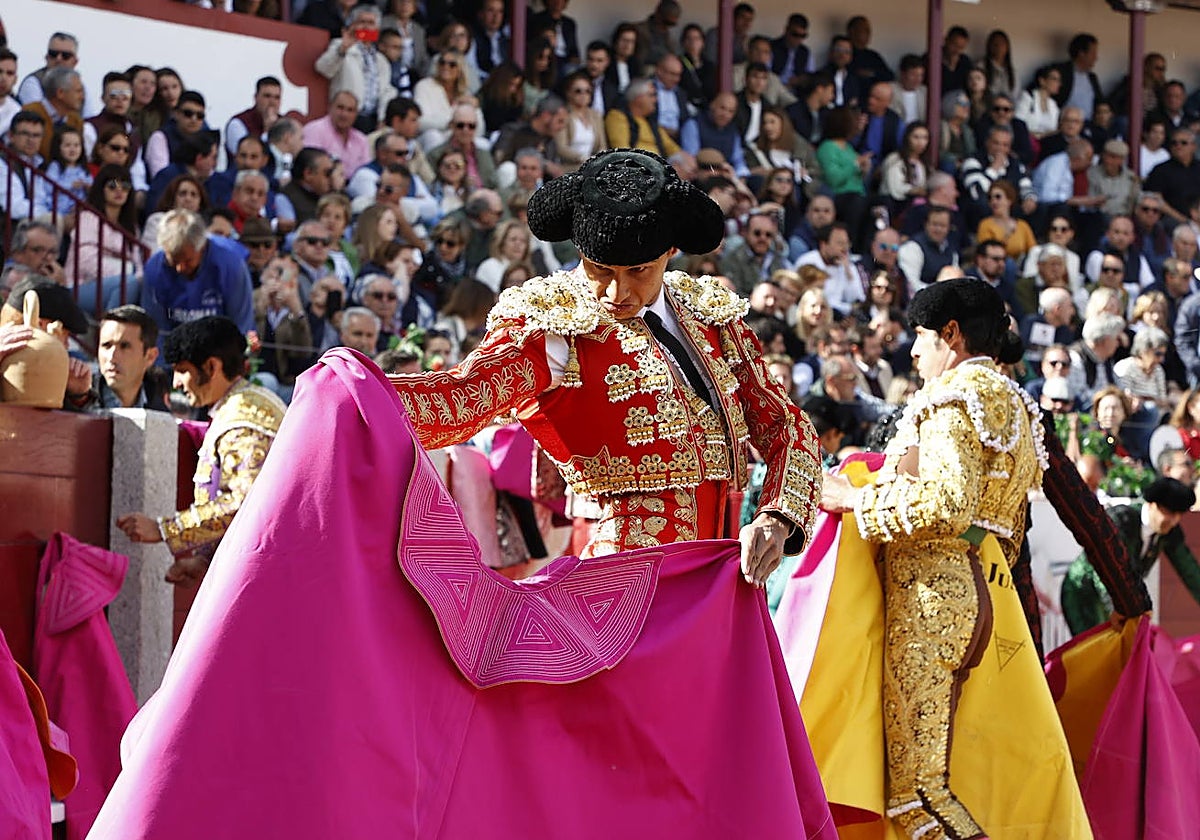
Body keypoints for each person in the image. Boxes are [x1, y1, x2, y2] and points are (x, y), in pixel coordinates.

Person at [391, 147, 821, 578]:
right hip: (622, 583)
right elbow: (464, 396)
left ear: (670, 250)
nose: (616, 293)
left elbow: (786, 425)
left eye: (638, 270)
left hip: (726, 574)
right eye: (600, 269)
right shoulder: (554, 321)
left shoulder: (708, 312)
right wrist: (356, 392)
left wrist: (778, 516)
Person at [819, 278, 1053, 839]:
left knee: (916, 796)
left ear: (951, 334)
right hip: (986, 595)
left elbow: (947, 502)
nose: (915, 351)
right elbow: (1006, 522)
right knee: (937, 782)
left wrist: (856, 498)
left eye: (923, 336)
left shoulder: (950, 401)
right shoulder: (1016, 405)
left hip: (930, 599)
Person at [116, 316, 286, 585]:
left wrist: (164, 529)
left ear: (211, 366)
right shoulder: (240, 406)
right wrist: (204, 560)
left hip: (266, 575)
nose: (177, 383)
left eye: (182, 370)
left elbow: (243, 504)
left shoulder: (243, 419)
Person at [1061, 477, 1200, 636]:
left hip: (1118, 601)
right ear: (1152, 505)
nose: (1174, 521)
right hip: (1083, 592)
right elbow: (1105, 568)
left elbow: (1190, 571)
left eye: (1179, 515)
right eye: (1169, 513)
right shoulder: (1121, 519)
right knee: (1094, 651)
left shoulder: (1170, 532)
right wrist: (1119, 608)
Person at [141, 209, 255, 348]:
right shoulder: (155, 267)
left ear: (202, 247)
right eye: (173, 261)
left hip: (221, 348)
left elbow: (241, 325)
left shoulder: (231, 265)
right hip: (176, 349)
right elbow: (156, 328)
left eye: (187, 261)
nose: (180, 268)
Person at [94, 305, 169, 410]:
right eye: (106, 345)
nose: (112, 357)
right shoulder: (78, 400)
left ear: (150, 356)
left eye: (124, 346)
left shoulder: (162, 410)